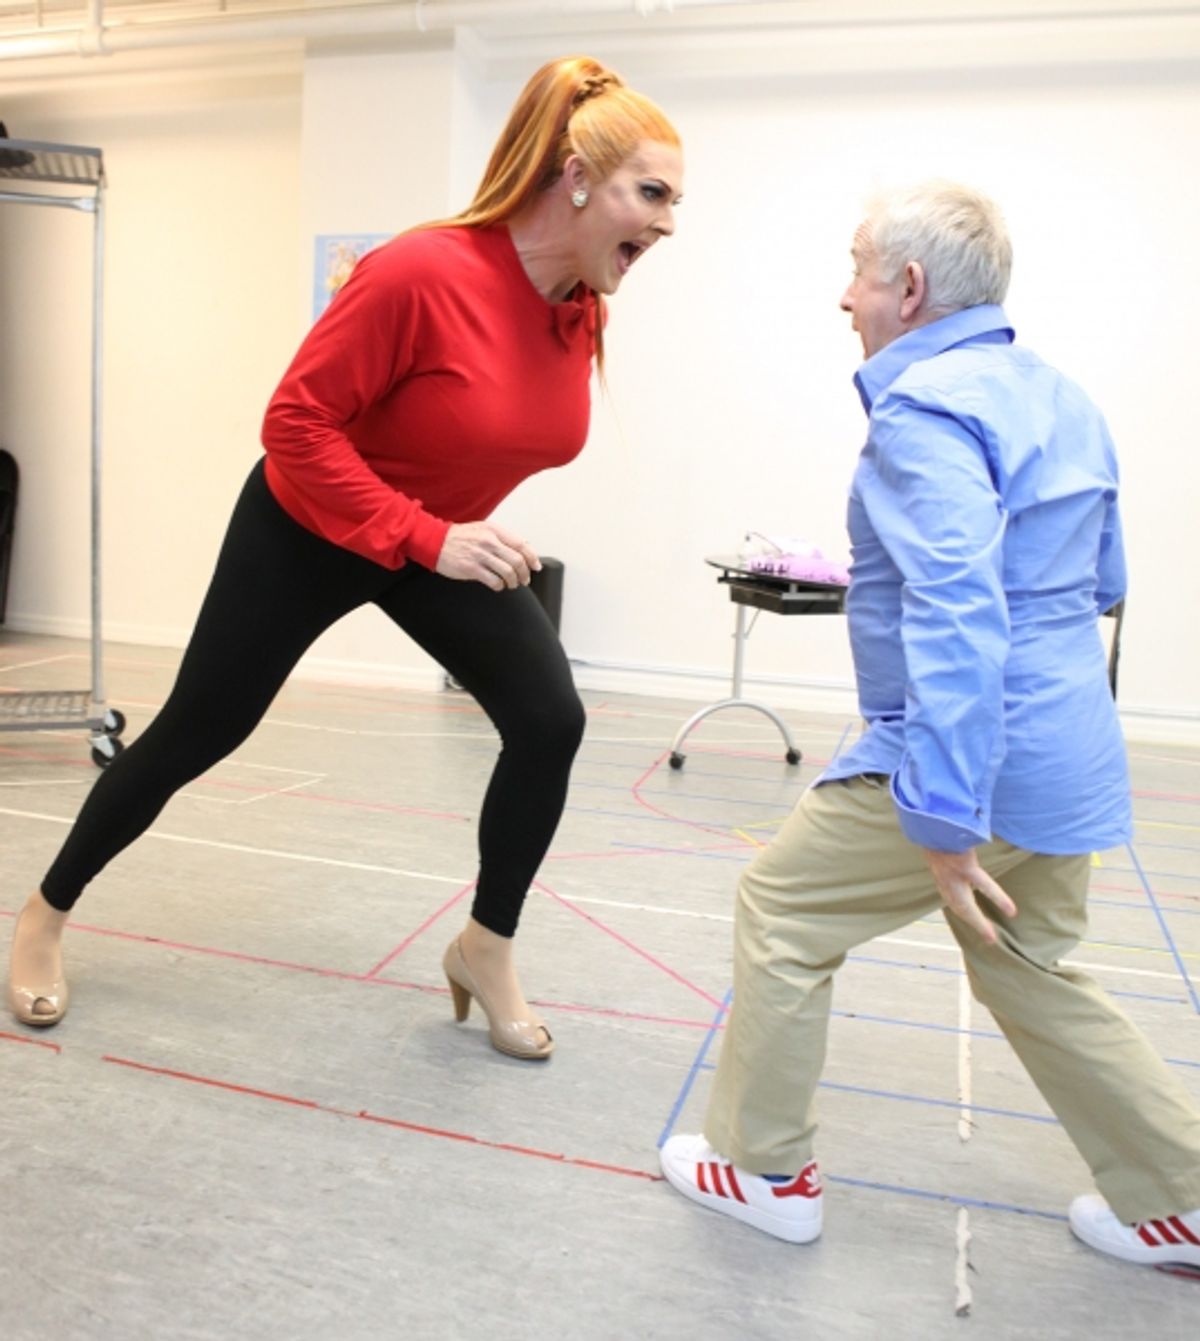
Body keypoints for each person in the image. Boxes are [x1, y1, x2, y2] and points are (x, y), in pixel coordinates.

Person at [6, 56, 684, 1063]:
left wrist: (462, 532)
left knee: (550, 721)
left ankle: (484, 947)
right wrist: (429, 535)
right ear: (578, 176)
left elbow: (483, 432)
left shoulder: (579, 308)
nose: (668, 222)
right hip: (310, 526)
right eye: (654, 193)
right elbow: (295, 425)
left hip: (434, 544)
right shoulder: (421, 271)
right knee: (199, 732)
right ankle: (43, 916)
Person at [660, 181, 1200, 1268]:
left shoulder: (925, 409)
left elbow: (960, 607)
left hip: (974, 751)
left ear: (907, 289)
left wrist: (945, 814)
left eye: (857, 267)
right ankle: (1178, 1197)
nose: (843, 294)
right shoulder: (1061, 395)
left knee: (783, 908)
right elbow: (1103, 578)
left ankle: (763, 1170)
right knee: (1031, 962)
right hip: (1065, 741)